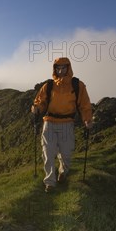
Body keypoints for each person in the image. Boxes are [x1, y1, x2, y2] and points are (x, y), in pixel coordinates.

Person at [31, 57, 93, 193]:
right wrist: (37, 108)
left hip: (67, 123)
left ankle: (63, 172)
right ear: (54, 69)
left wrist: (87, 119)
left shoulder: (77, 85)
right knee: (48, 152)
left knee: (66, 153)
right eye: (58, 68)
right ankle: (50, 182)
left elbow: (84, 105)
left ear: (68, 68)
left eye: (63, 68)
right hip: (49, 122)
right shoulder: (49, 85)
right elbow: (41, 101)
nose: (60, 70)